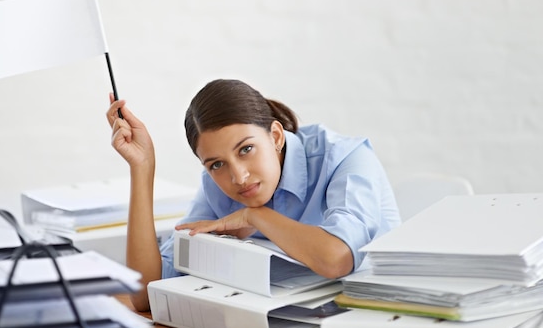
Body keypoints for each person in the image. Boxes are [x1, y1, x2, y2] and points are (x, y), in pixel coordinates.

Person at [106, 79, 401, 312]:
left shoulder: (345, 159)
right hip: (280, 327)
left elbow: (336, 259)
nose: (238, 177)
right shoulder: (216, 187)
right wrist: (142, 169)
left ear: (275, 136)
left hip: (376, 320)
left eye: (246, 149)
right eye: (217, 164)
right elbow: (146, 293)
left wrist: (256, 216)